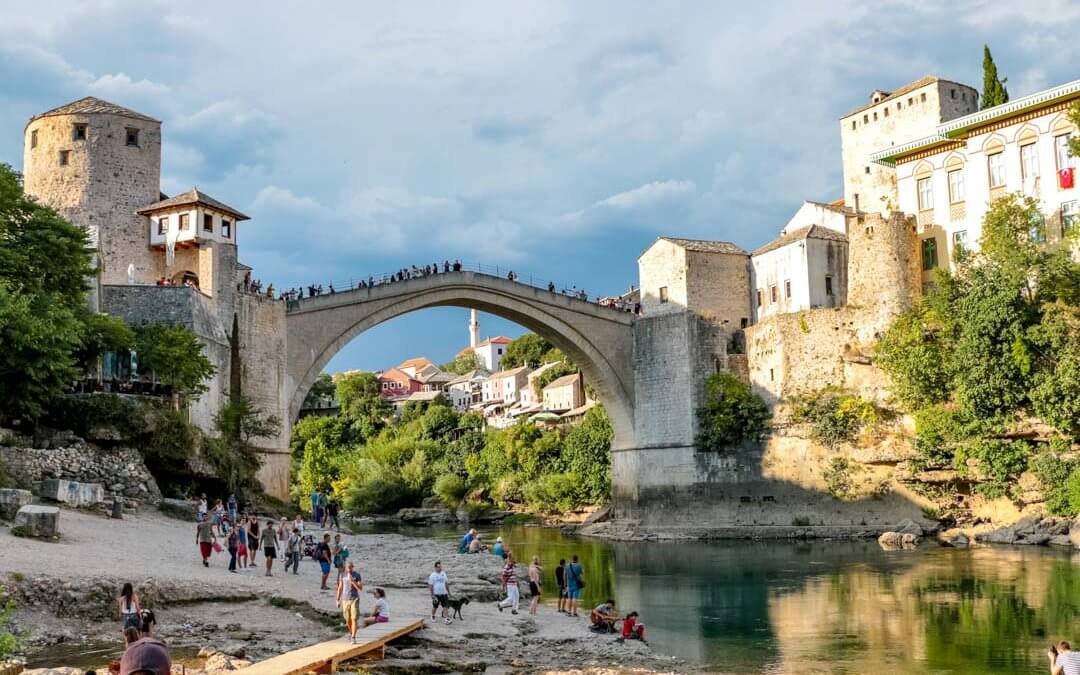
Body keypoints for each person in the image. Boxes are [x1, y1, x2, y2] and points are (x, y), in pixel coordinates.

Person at [336, 561, 364, 644]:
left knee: (354, 618)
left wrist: (352, 581)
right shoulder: (342, 575)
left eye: (350, 567)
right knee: (347, 619)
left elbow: (360, 588)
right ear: (345, 568)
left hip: (354, 599)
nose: (349, 569)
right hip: (345, 599)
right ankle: (351, 632)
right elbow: (340, 587)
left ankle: (353, 637)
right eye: (347, 568)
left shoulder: (357, 575)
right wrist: (337, 600)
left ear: (353, 567)